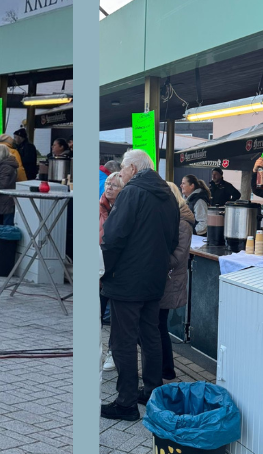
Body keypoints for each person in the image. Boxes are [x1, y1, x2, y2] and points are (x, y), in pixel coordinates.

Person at [99, 149, 180, 421]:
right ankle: (153, 392)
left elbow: (113, 236)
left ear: (132, 169)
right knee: (151, 336)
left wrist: (104, 271)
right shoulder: (168, 195)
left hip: (127, 280)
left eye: (122, 169)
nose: (120, 174)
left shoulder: (132, 192)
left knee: (123, 341)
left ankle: (126, 402)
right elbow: (172, 240)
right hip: (154, 279)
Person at [160, 181, 194, 381]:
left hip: (170, 279)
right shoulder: (174, 217)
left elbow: (178, 255)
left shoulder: (182, 221)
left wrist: (156, 262)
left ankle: (167, 369)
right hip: (167, 277)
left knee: (159, 325)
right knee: (158, 325)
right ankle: (166, 368)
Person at [99, 171, 126, 371]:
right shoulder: (98, 207)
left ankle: (112, 353)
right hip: (99, 267)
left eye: (114, 185)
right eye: (108, 184)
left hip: (117, 270)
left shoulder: (124, 209)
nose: (109, 187)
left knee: (116, 317)